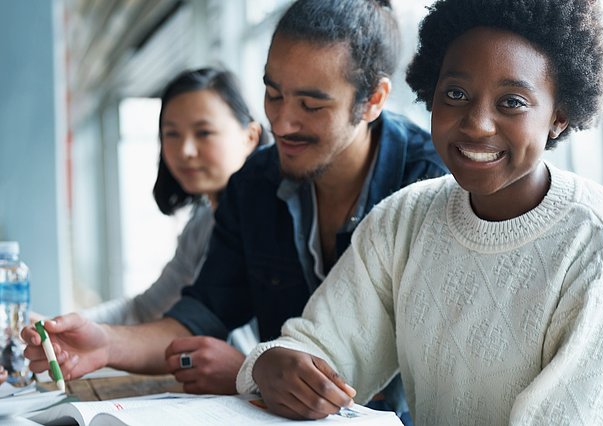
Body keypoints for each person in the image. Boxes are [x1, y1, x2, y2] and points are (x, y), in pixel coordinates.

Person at [22, 0, 446, 420]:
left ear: (373, 99)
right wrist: (105, 344)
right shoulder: (254, 184)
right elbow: (199, 316)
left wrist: (248, 371)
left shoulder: (430, 187)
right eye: (273, 93)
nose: (281, 123)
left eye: (311, 106)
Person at [237, 0, 603, 423]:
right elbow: (322, 346)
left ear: (558, 116)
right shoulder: (403, 219)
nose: (477, 123)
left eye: (513, 102)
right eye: (456, 94)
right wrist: (276, 363)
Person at [81, 66, 266, 330]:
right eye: (171, 134)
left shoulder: (265, 221)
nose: (185, 150)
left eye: (204, 133)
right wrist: (64, 328)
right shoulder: (201, 223)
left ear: (250, 137)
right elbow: (145, 309)